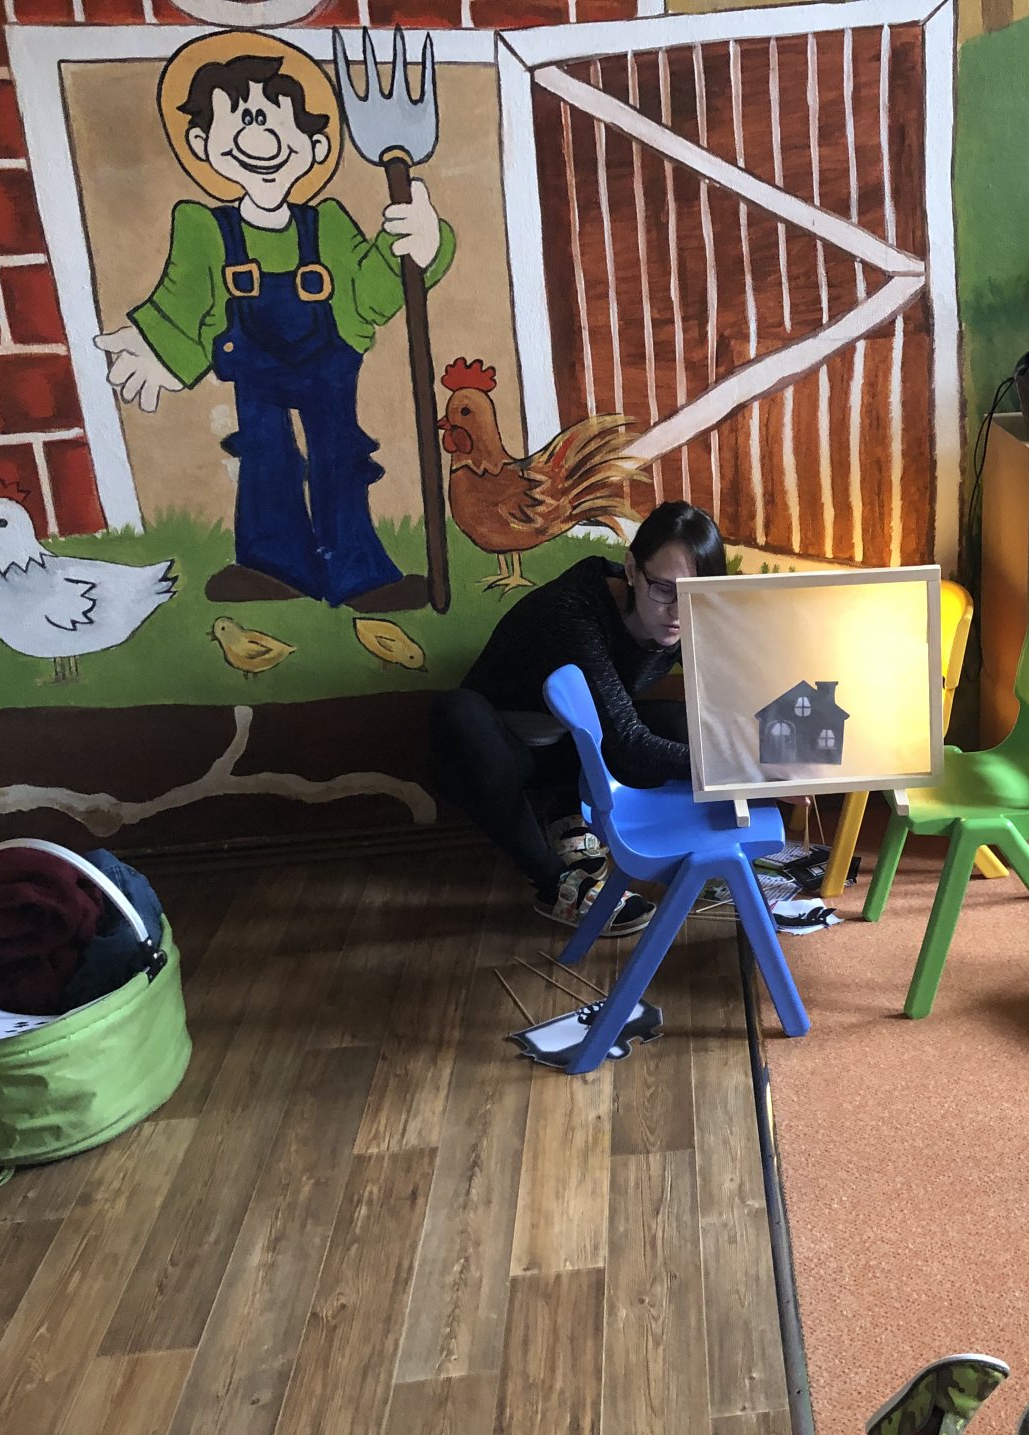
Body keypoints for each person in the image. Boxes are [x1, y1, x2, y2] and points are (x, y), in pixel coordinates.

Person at [95, 31, 455, 612]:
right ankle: (274, 565)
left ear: (315, 146)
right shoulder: (204, 228)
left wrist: (415, 244)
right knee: (267, 456)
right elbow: (184, 296)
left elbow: (369, 293)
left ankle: (360, 574)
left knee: (339, 457)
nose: (258, 138)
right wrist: (157, 347)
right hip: (254, 369)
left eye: (275, 123)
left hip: (329, 368)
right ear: (201, 144)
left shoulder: (328, 223)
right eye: (239, 122)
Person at [429, 501, 726, 937]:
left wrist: (773, 758)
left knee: (680, 723)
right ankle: (554, 883)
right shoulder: (575, 607)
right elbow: (627, 744)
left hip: (578, 746)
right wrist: (734, 769)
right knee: (456, 714)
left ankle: (569, 811)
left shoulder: (687, 611)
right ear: (631, 570)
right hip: (508, 754)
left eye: (694, 595)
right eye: (664, 589)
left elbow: (724, 692)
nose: (678, 612)